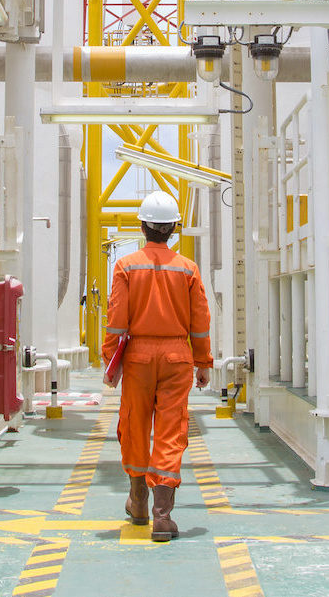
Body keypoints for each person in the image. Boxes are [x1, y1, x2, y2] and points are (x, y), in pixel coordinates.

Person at [101, 190, 214, 542]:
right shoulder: (188, 269)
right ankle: (162, 516)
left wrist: (110, 360)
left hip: (138, 357)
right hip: (178, 358)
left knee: (134, 426)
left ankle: (137, 502)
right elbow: (200, 321)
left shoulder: (126, 266)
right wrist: (203, 361)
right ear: (174, 228)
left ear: (142, 226)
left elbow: (116, 320)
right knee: (170, 431)